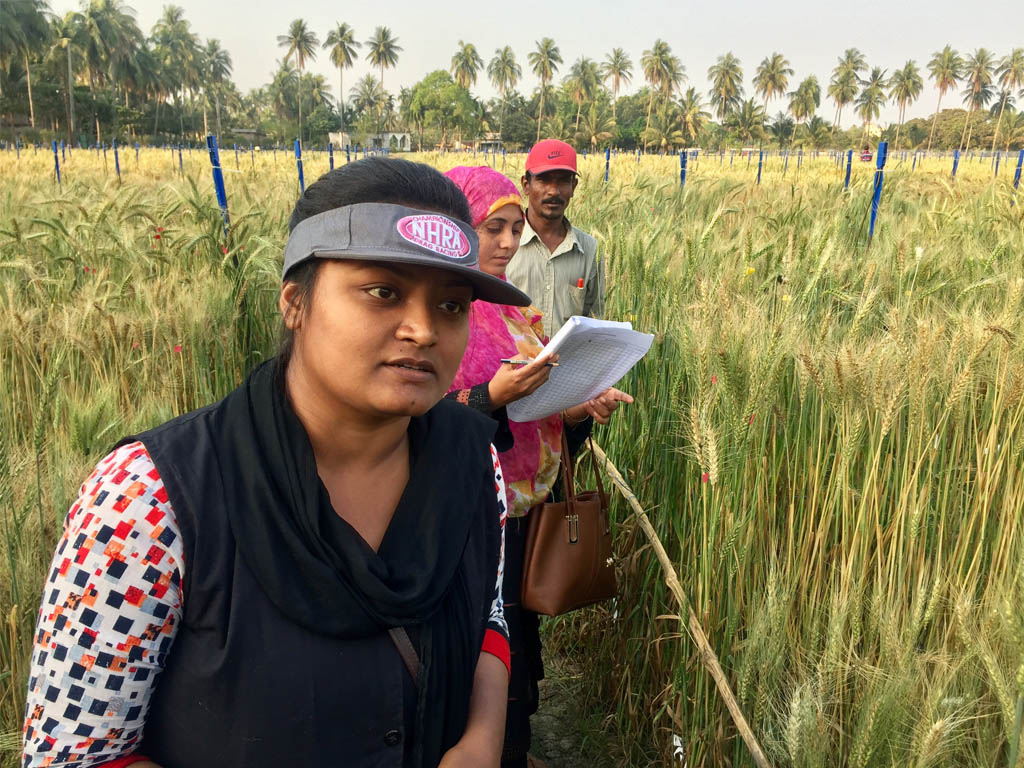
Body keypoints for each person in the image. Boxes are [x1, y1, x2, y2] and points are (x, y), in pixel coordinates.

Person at [21, 158, 533, 768]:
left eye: (451, 305)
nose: (423, 329)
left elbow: (489, 610)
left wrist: (482, 738)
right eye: (383, 292)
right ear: (296, 302)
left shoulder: (473, 460)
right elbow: (71, 753)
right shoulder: (147, 497)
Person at [442, 166, 632, 768]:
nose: (505, 243)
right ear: (453, 230)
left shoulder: (515, 310)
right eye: (491, 227)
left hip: (528, 510)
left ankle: (516, 750)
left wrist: (581, 404)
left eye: (514, 228)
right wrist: (490, 399)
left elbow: (538, 413)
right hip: (470, 519)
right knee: (482, 647)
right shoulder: (440, 315)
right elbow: (422, 427)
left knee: (521, 633)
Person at [504, 139, 604, 335]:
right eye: (544, 180)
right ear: (526, 184)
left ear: (573, 186)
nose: (554, 191)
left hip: (568, 365)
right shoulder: (504, 244)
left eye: (563, 181)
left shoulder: (590, 249)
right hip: (512, 365)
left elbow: (594, 319)